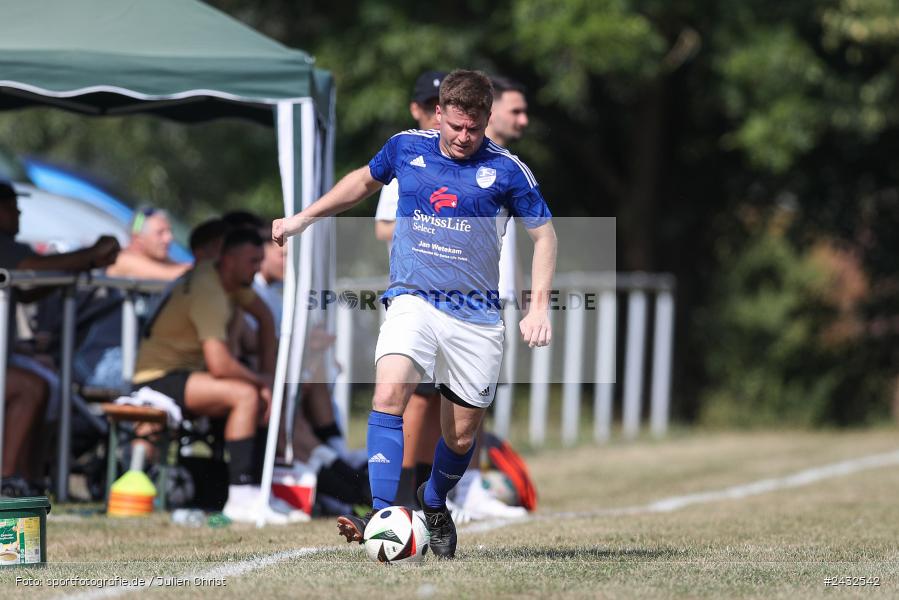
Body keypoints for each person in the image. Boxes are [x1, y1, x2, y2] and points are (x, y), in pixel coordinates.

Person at [273, 69, 557, 558]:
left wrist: (537, 307)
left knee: (461, 434)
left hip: (476, 316)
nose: (465, 137)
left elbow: (545, 235)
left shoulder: (508, 170)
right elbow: (361, 183)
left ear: (487, 119)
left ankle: (434, 500)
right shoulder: (407, 147)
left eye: (475, 128)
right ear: (440, 113)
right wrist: (302, 219)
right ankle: (383, 513)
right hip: (413, 298)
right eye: (456, 127)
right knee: (389, 392)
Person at [132, 227, 300, 524]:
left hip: (189, 373)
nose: (258, 268)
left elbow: (264, 318)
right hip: (158, 376)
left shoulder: (232, 279)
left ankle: (259, 493)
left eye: (260, 260)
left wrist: (269, 377)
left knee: (261, 393)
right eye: (252, 261)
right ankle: (240, 497)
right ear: (229, 259)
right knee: (246, 395)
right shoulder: (208, 288)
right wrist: (262, 381)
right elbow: (220, 364)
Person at [0, 180, 120, 495]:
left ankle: (31, 478)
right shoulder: (4, 246)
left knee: (50, 383)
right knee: (31, 388)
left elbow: (27, 290)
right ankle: (8, 480)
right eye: (12, 206)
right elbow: (32, 268)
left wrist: (85, 264)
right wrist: (90, 255)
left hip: (8, 354)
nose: (19, 213)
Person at [373, 71, 448, 510]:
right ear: (417, 110)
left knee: (441, 398)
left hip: (457, 301)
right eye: (432, 105)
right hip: (416, 295)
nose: (439, 114)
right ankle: (395, 498)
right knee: (412, 397)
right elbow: (384, 225)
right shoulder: (410, 156)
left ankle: (422, 494)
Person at [106, 206, 190, 280]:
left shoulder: (156, 258)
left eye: (169, 232)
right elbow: (170, 275)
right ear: (138, 238)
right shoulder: (123, 260)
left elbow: (182, 268)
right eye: (160, 233)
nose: (169, 238)